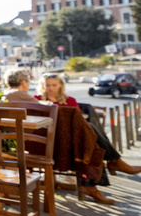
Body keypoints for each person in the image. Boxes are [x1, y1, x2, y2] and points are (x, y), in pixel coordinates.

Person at [36, 73, 140, 203]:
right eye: (47, 85)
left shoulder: (70, 100)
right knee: (91, 138)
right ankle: (112, 164)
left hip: (71, 140)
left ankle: (98, 178)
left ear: (61, 85)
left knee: (90, 142)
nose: (50, 88)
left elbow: (79, 123)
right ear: (42, 85)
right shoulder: (36, 100)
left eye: (54, 85)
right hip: (49, 140)